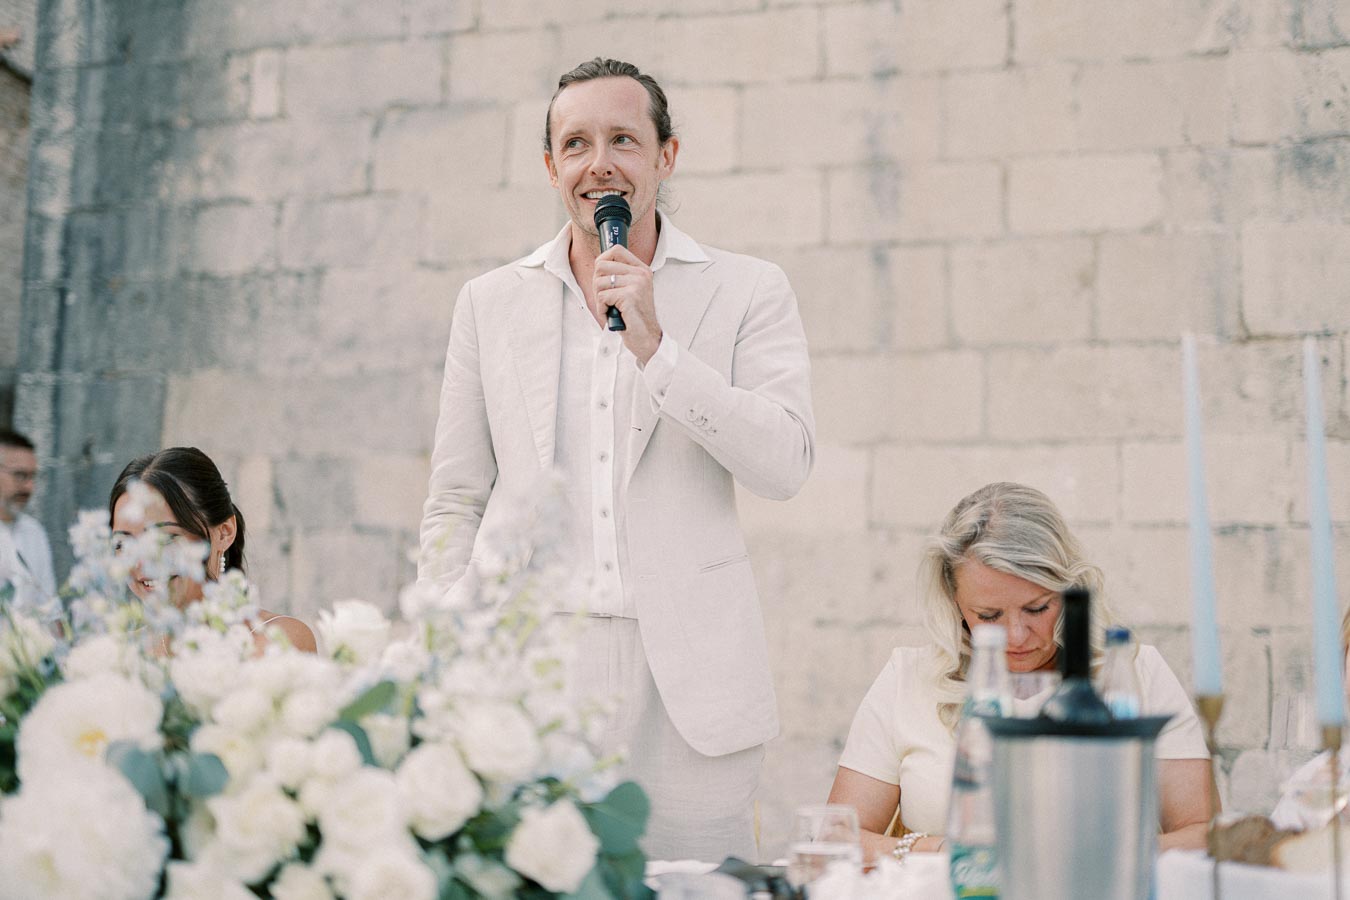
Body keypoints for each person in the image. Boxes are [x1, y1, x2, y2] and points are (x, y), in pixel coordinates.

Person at [418, 58, 815, 860]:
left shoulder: (747, 289)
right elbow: (456, 498)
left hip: (692, 691)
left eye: (623, 139)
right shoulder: (490, 304)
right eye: (576, 143)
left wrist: (658, 348)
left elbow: (785, 462)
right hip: (533, 683)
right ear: (551, 167)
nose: (599, 162)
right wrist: (447, 638)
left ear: (666, 156)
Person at [828, 482, 1212, 862]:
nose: (1016, 636)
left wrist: (1084, 859)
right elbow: (836, 838)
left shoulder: (1136, 673)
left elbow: (1204, 835)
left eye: (1037, 608)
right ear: (954, 602)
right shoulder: (908, 678)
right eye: (989, 615)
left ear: (1068, 591)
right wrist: (951, 851)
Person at [109, 447, 316, 654]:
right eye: (123, 544)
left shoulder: (278, 642)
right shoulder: (120, 654)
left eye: (165, 539)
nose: (141, 562)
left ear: (225, 533)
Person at [0, 430, 57, 609]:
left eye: (33, 477)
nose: (30, 487)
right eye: (20, 476)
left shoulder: (34, 532)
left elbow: (51, 609)